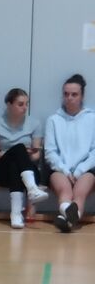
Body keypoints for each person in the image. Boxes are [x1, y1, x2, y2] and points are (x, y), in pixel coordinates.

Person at [0, 88, 48, 229]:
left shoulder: (35, 123)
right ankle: (32, 189)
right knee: (18, 149)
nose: (25, 107)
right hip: (2, 172)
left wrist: (26, 154)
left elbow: (36, 155)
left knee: (16, 164)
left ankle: (16, 214)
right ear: (9, 104)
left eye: (27, 104)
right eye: (20, 104)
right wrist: (15, 152)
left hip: (29, 169)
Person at [44, 74, 95, 233]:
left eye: (74, 94)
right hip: (60, 169)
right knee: (65, 191)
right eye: (66, 94)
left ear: (82, 96)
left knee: (80, 193)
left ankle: (67, 219)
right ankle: (70, 218)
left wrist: (79, 170)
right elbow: (50, 152)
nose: (69, 98)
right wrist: (65, 170)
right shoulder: (53, 120)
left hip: (86, 169)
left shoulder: (92, 118)